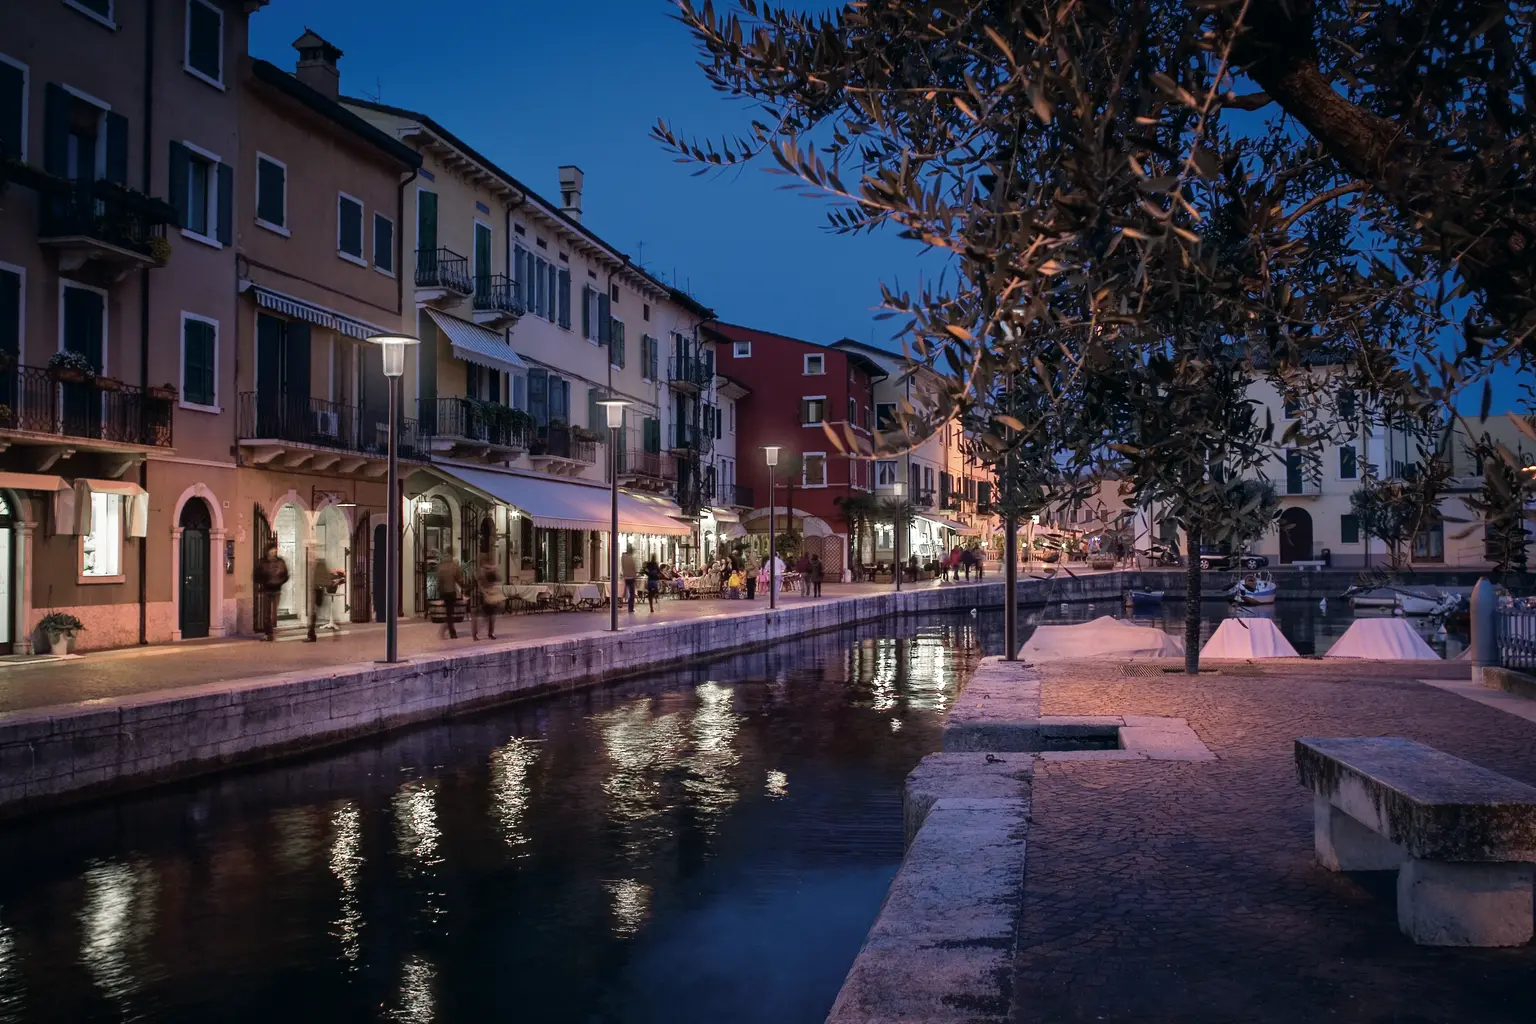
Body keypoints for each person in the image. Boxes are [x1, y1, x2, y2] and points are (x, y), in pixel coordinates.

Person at [254, 541, 288, 641]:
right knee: (266, 614)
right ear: (268, 551)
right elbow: (256, 575)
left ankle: (271, 631)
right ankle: (268, 633)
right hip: (267, 590)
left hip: (276, 590)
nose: (274, 551)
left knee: (274, 614)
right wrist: (263, 582)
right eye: (272, 549)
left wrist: (280, 581)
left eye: (275, 549)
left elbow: (286, 574)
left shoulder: (280, 561)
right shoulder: (263, 562)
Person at [472, 555, 502, 640]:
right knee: (491, 615)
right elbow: (499, 579)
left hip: (481, 594)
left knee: (482, 616)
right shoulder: (488, 571)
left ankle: (476, 634)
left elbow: (476, 582)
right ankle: (490, 633)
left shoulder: (479, 571)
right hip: (488, 595)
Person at [435, 551, 462, 639]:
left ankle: (450, 631)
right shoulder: (454, 566)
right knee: (450, 613)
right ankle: (451, 632)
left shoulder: (441, 567)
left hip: (444, 592)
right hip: (451, 592)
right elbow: (459, 578)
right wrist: (463, 587)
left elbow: (439, 581)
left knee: (449, 612)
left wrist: (439, 591)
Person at [621, 545, 638, 613]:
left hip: (626, 577)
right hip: (631, 577)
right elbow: (634, 568)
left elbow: (623, 566)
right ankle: (630, 608)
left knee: (626, 592)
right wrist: (635, 577)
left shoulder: (623, 557)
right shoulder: (632, 558)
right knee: (632, 593)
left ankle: (627, 604)